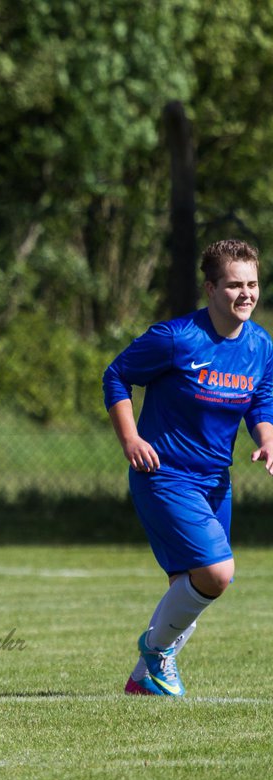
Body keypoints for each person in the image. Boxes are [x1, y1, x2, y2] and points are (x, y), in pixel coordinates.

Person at [104, 238, 273, 697]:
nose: (247, 294)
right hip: (165, 475)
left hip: (215, 480)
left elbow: (260, 397)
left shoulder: (260, 344)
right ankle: (157, 652)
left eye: (253, 284)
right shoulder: (176, 338)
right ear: (210, 288)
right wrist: (130, 438)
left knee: (194, 582)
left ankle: (143, 680)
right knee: (216, 573)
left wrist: (266, 437)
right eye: (234, 285)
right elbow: (116, 375)